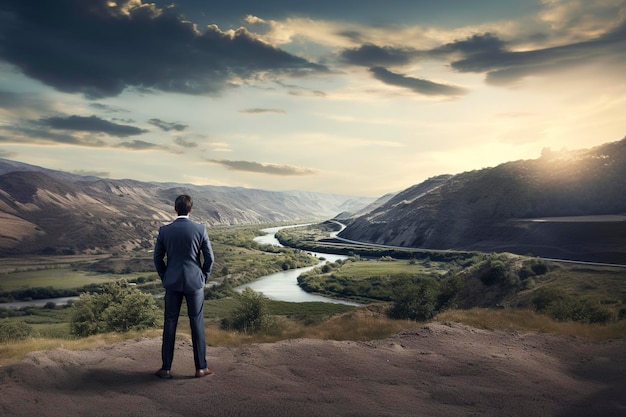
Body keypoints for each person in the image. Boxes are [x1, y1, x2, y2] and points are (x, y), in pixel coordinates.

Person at [153, 194, 215, 379]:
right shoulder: (200, 229)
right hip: (195, 283)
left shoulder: (165, 231)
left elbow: (157, 258)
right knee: (196, 323)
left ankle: (166, 368)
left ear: (175, 209)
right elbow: (209, 258)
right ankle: (201, 368)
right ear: (191, 209)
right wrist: (203, 277)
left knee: (170, 322)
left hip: (172, 283)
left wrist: (166, 277)